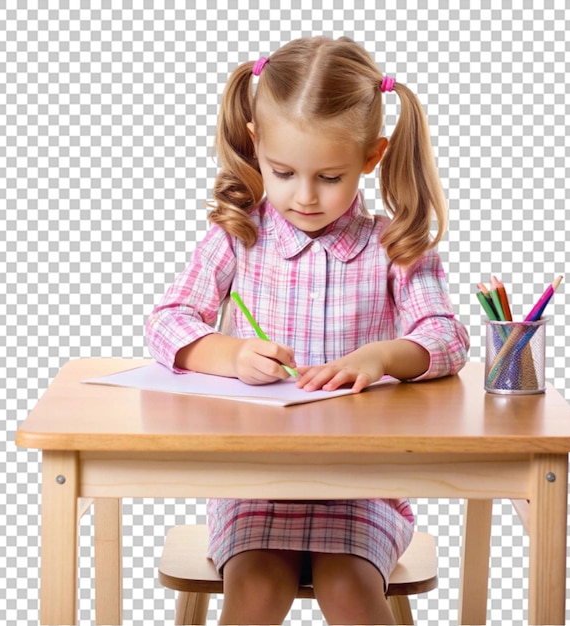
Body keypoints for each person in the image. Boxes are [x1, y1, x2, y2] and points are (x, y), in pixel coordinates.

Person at [146, 36, 469, 625]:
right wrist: (230, 352)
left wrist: (382, 356)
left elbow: (447, 336)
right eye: (284, 172)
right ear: (255, 145)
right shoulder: (237, 236)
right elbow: (168, 321)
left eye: (329, 175)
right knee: (256, 591)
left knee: (348, 590)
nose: (305, 195)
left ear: (372, 157)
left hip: (361, 486)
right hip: (255, 483)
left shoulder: (392, 246)